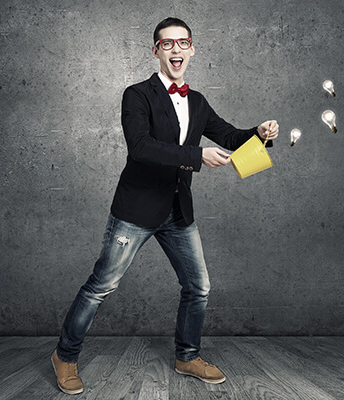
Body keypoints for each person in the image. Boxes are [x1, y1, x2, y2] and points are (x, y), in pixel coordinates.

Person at [50, 17, 278, 395]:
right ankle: (65, 355)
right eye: (167, 43)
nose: (176, 50)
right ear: (156, 51)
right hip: (136, 210)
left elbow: (230, 135)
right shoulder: (137, 95)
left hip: (177, 212)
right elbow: (140, 147)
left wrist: (259, 133)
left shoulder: (198, 101)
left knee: (198, 286)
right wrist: (197, 156)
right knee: (101, 286)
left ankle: (187, 356)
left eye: (182, 43)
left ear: (192, 48)